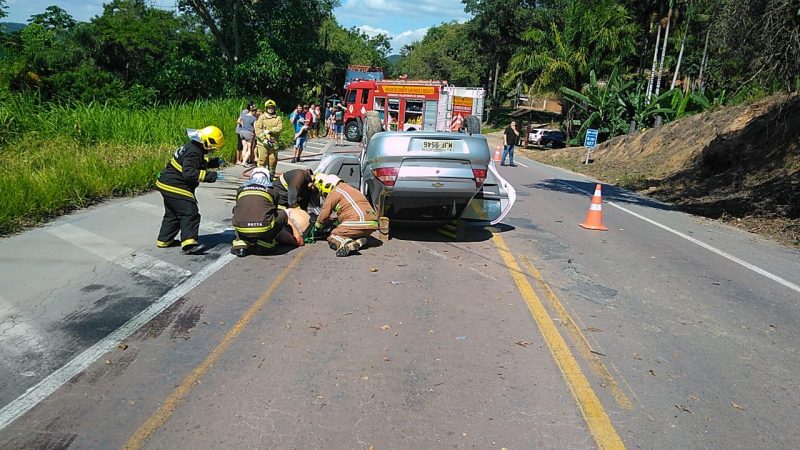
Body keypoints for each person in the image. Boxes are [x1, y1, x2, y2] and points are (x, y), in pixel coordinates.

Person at [155, 126, 225, 255]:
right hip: (176, 185)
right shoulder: (194, 152)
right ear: (206, 141)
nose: (212, 149)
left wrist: (213, 163)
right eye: (212, 147)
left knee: (173, 213)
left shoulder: (192, 147)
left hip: (166, 182)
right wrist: (211, 176)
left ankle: (164, 240)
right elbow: (189, 173)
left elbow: (195, 162)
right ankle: (189, 245)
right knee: (190, 213)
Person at [230, 168, 302, 257]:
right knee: (282, 214)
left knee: (240, 212)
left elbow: (239, 207)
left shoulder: (241, 189)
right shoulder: (272, 190)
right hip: (264, 227)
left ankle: (240, 245)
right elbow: (274, 209)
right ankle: (265, 243)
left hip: (242, 228)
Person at [310, 174, 378, 257]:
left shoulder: (335, 192)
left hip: (359, 220)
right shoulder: (351, 188)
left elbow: (324, 215)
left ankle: (345, 243)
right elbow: (347, 213)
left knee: (334, 234)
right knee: (347, 231)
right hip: (372, 223)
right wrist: (335, 223)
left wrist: (317, 227)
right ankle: (357, 241)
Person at [254, 99, 283, 178]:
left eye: (272, 107)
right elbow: (257, 129)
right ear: (266, 108)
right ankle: (260, 177)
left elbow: (279, 128)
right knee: (262, 160)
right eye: (269, 107)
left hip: (273, 143)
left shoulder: (278, 118)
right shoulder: (262, 117)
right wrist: (264, 138)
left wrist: (269, 130)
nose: (271, 109)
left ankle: (271, 177)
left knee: (272, 161)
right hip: (263, 143)